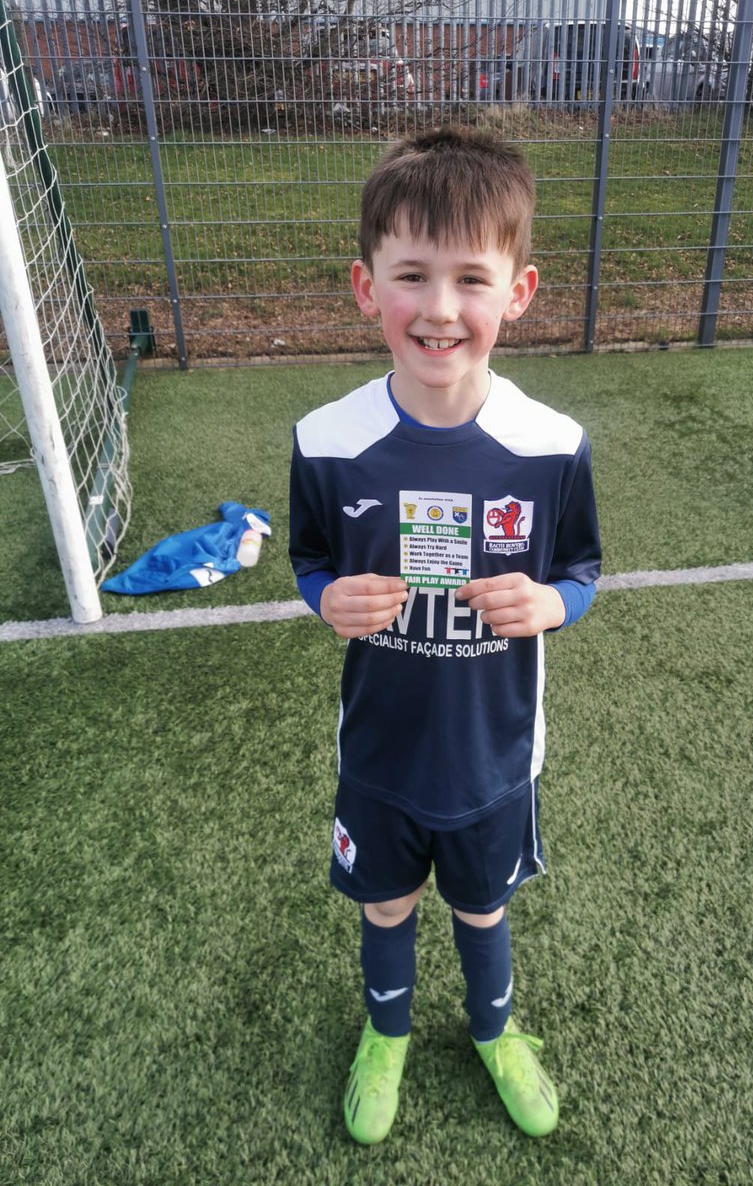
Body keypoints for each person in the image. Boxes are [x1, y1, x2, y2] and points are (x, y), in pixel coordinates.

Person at [289, 126, 602, 1144]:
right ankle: (386, 1038)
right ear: (365, 285)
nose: (438, 308)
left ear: (518, 291)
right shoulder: (325, 442)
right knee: (384, 907)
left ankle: (495, 1032)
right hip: (378, 753)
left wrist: (552, 605)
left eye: (471, 278)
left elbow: (584, 571)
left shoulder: (551, 447)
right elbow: (308, 560)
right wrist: (324, 597)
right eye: (411, 275)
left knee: (481, 910)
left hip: (494, 756)